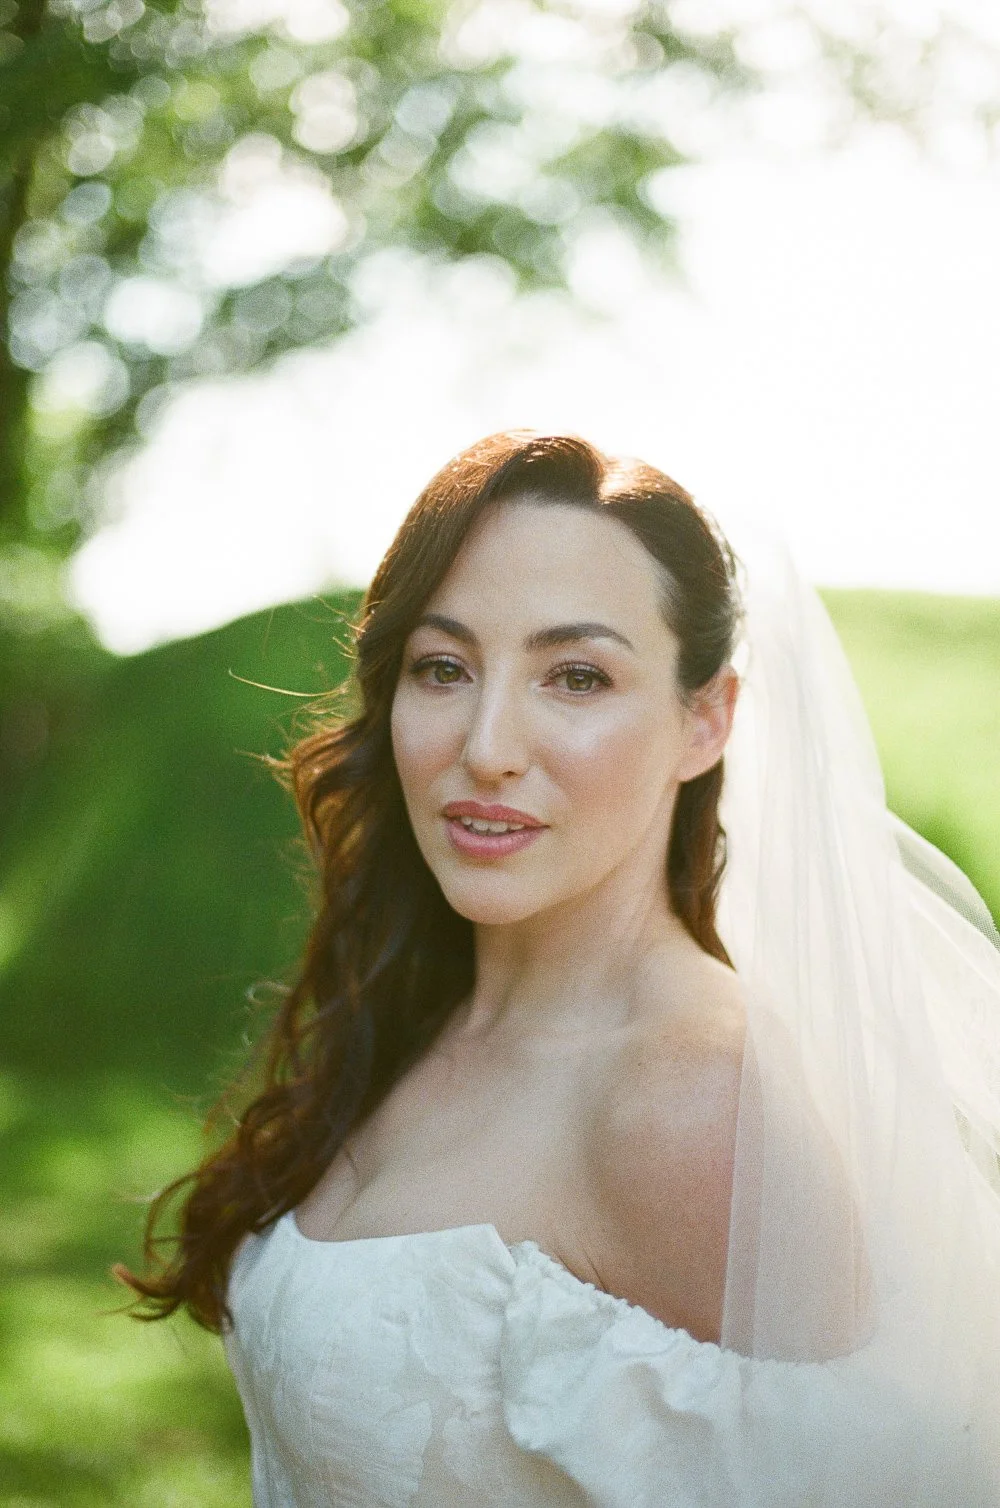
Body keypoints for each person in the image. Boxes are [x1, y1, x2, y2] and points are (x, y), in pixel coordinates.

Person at [118, 430, 1000, 1505]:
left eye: (576, 675)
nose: (486, 742)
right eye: (443, 667)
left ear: (705, 719)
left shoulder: (693, 1102)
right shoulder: (417, 1014)